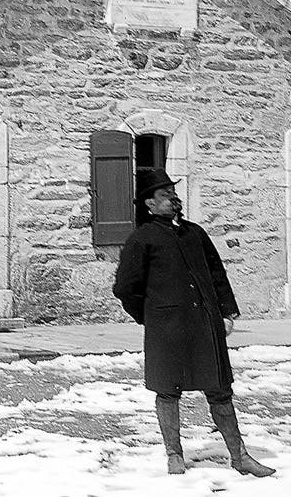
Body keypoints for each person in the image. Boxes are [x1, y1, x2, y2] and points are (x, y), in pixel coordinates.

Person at [112, 168, 275, 478]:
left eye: (173, 193)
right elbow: (125, 287)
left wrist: (226, 312)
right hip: (167, 330)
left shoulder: (195, 233)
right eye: (165, 195)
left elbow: (216, 274)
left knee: (220, 390)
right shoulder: (141, 238)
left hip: (204, 325)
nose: (173, 198)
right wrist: (150, 316)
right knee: (168, 390)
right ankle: (174, 455)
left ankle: (240, 456)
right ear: (149, 204)